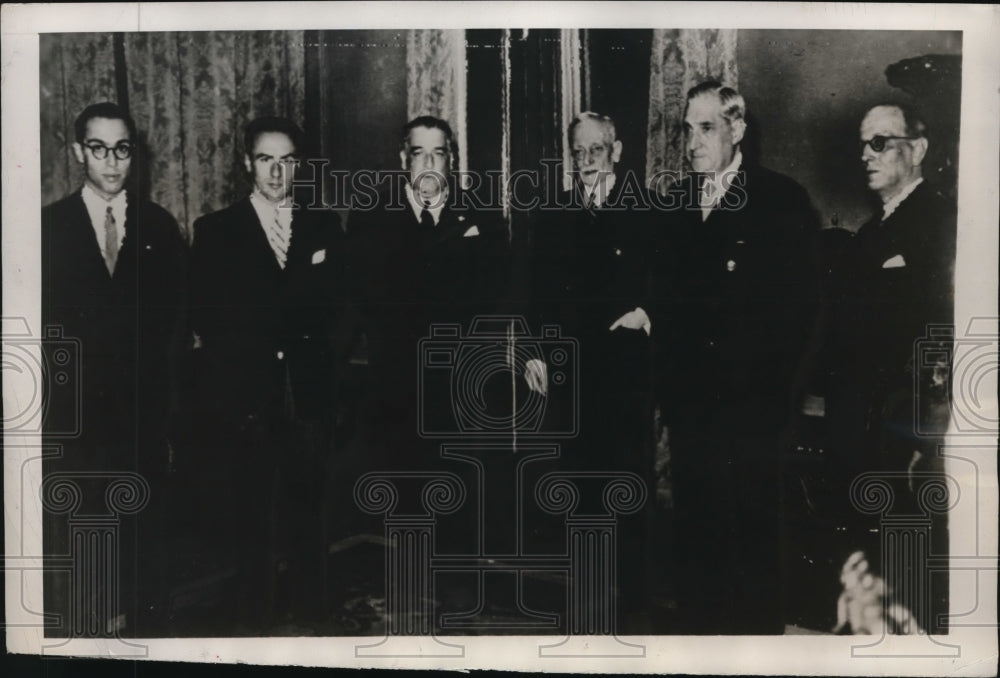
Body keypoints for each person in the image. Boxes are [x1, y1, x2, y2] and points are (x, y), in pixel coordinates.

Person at [652, 82, 820, 634]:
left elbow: (796, 317)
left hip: (751, 410)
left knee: (750, 539)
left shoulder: (780, 201)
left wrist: (772, 397)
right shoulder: (675, 203)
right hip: (691, 409)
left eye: (707, 128)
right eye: (687, 128)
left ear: (737, 129)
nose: (692, 142)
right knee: (696, 534)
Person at [187, 116, 350, 627]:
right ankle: (252, 621)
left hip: (309, 394)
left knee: (309, 510)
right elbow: (205, 317)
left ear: (297, 165)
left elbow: (346, 307)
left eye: (286, 160)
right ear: (247, 163)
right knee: (252, 515)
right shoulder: (215, 230)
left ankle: (312, 614)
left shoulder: (324, 225)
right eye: (265, 159)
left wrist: (326, 359)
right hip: (248, 398)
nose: (276, 172)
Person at [41, 101, 186, 635]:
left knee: (146, 541)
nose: (111, 161)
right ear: (79, 151)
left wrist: (170, 412)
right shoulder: (48, 229)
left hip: (143, 417)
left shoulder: (161, 227)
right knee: (84, 538)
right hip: (75, 418)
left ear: (134, 153)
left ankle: (149, 639)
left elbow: (174, 329)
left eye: (122, 149)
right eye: (98, 148)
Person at [820, 104, 955, 632]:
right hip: (861, 421)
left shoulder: (941, 223)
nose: (865, 155)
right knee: (870, 567)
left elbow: (939, 330)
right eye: (863, 144)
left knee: (904, 563)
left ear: (917, 150)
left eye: (880, 143)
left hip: (902, 426)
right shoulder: (874, 229)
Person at [347, 115, 509, 471]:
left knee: (458, 491)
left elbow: (498, 299)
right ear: (403, 158)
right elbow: (359, 302)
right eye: (420, 153)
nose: (429, 163)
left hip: (461, 384)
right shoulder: (370, 218)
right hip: (394, 386)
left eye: (439, 153)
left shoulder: (484, 218)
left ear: (452, 160)